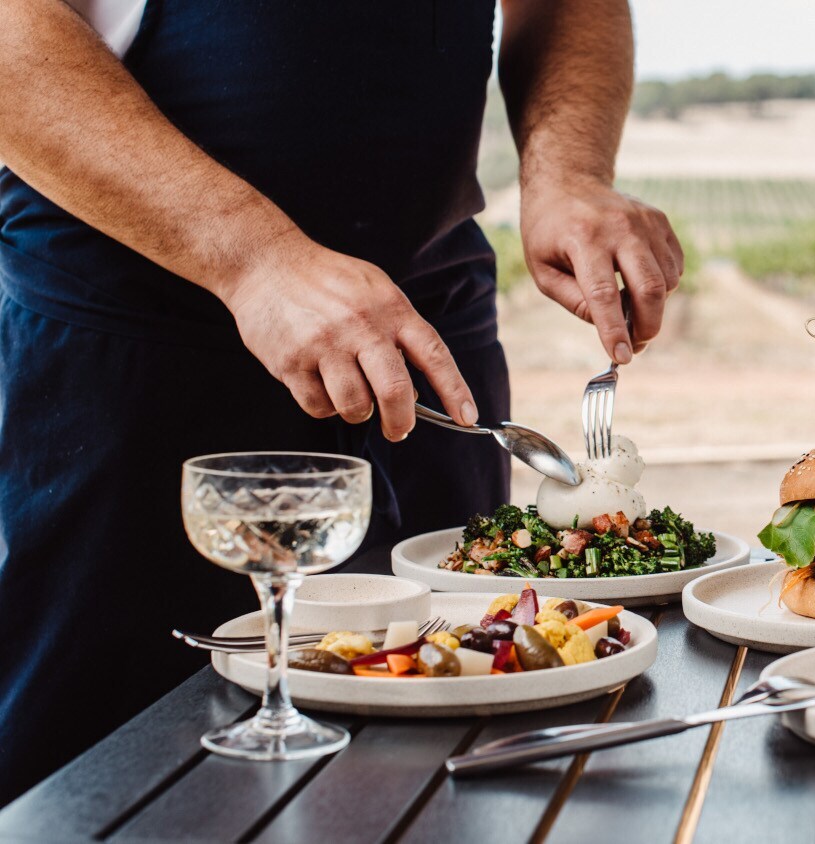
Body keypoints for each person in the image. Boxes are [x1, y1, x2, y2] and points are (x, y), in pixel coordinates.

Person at [0, 0, 681, 805]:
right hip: (141, 338)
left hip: (426, 331)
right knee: (106, 766)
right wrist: (254, 259)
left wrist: (568, 169)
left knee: (442, 746)